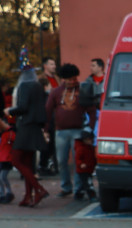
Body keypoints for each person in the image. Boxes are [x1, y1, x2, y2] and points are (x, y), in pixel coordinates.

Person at [6, 52, 49, 207]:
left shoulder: (24, 86)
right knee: (28, 163)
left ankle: (39, 189)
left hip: (25, 127)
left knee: (16, 160)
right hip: (35, 126)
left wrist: (10, 111)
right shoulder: (38, 86)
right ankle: (29, 196)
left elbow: (23, 107)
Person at [46, 64, 92, 199]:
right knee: (61, 160)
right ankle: (66, 186)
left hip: (78, 131)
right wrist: (45, 129)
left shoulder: (82, 90)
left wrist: (91, 127)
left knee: (78, 161)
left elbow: (91, 110)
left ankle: (78, 188)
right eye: (69, 79)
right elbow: (48, 111)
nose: (72, 81)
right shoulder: (55, 92)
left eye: (74, 79)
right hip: (61, 131)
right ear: (63, 79)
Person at [39, 58, 59, 176]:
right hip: (47, 114)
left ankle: (51, 165)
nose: (54, 66)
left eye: (54, 64)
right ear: (45, 66)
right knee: (46, 142)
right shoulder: (41, 79)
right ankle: (43, 165)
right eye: (52, 64)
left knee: (53, 143)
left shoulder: (57, 79)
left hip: (56, 114)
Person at [74, 127, 97, 200]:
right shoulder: (81, 148)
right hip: (83, 170)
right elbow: (77, 158)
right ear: (85, 139)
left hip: (89, 169)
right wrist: (81, 164)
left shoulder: (90, 147)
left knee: (84, 184)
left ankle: (78, 194)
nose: (92, 141)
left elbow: (93, 158)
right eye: (90, 139)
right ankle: (92, 196)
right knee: (89, 184)